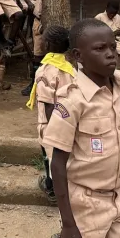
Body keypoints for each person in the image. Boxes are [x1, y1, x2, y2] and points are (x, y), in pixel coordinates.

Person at [43, 19, 120, 238]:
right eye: (100, 49)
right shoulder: (71, 100)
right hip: (85, 204)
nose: (110, 54)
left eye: (112, 47)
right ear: (77, 56)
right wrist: (68, 224)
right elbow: (57, 164)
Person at [25, 25, 73, 204]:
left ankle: (52, 189)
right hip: (69, 120)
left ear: (48, 44)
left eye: (44, 39)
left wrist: (53, 130)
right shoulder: (69, 68)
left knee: (50, 156)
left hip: (51, 123)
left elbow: (48, 104)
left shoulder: (46, 71)